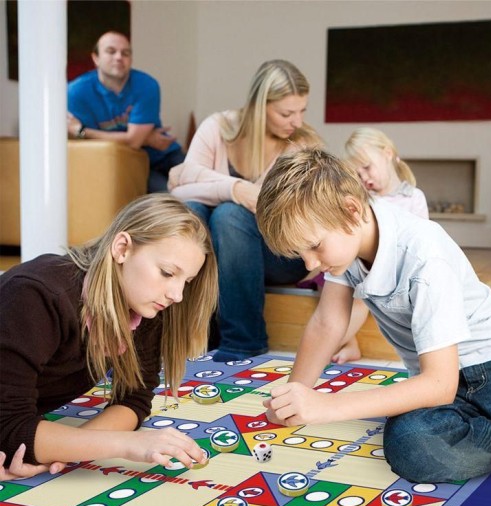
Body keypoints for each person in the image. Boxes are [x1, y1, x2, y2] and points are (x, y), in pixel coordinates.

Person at [255, 148, 491, 483]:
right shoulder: (344, 248)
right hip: (445, 384)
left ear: (351, 211)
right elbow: (327, 323)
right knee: (412, 446)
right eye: (299, 252)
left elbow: (438, 385)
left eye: (315, 246)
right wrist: (296, 397)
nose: (309, 264)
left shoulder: (423, 253)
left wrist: (326, 406)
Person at [0, 194, 217, 481]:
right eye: (167, 273)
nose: (176, 295)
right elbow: (9, 428)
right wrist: (128, 444)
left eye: (185, 282)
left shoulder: (144, 303)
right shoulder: (35, 296)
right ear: (122, 248)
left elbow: (134, 400)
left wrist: (68, 449)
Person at [168, 59, 323, 363]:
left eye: (301, 111)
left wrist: (219, 192)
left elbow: (287, 218)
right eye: (286, 113)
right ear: (259, 106)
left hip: (283, 251)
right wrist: (235, 189)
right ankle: (188, 335)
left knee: (230, 216)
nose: (297, 121)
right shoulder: (218, 127)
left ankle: (244, 342)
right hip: (221, 246)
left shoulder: (299, 144)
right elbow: (178, 187)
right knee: (190, 210)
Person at [332, 127, 429, 364]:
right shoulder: (365, 199)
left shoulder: (413, 197)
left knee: (362, 296)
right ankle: (349, 342)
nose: (364, 177)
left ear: (387, 153)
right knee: (341, 286)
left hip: (396, 271)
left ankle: (332, 343)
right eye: (358, 173)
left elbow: (423, 242)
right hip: (365, 267)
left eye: (366, 167)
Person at [67, 31, 186, 193]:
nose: (118, 57)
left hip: (164, 152)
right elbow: (94, 149)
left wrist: (82, 131)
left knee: (204, 190)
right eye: (111, 51)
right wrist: (146, 139)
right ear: (96, 58)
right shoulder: (76, 92)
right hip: (127, 163)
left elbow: (133, 141)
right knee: (172, 201)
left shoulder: (146, 85)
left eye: (125, 53)